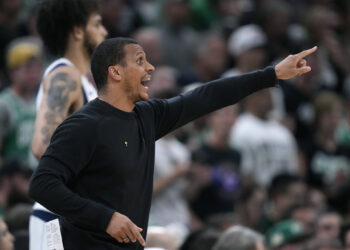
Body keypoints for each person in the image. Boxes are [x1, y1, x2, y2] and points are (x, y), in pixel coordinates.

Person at [28, 37, 317, 249]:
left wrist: (272, 74)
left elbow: (206, 96)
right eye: (140, 61)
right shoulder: (83, 125)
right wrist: (106, 218)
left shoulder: (147, 116)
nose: (151, 67)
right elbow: (42, 185)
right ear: (115, 72)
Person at [29, 0, 107, 249]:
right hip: (56, 219)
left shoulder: (85, 84)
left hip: (75, 219)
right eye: (97, 24)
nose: (104, 31)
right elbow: (42, 147)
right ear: (77, 30)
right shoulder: (65, 75)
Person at [0, 37, 42, 168]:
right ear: (12, 72)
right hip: (12, 181)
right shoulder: (5, 104)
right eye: (28, 68)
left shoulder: (41, 101)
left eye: (37, 67)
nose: (34, 73)